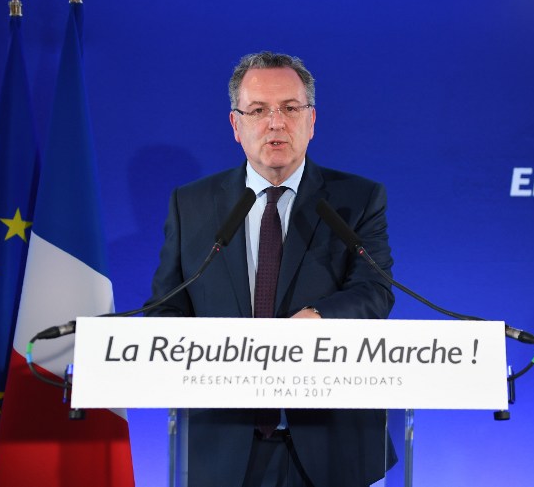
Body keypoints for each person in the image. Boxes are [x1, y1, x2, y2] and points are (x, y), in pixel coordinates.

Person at [145, 51, 397, 487]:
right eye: (258, 110)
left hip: (332, 440)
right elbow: (166, 309)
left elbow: (375, 289)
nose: (275, 123)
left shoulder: (356, 199)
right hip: (222, 446)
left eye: (290, 109)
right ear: (235, 125)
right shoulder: (192, 204)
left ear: (312, 121)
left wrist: (318, 318)